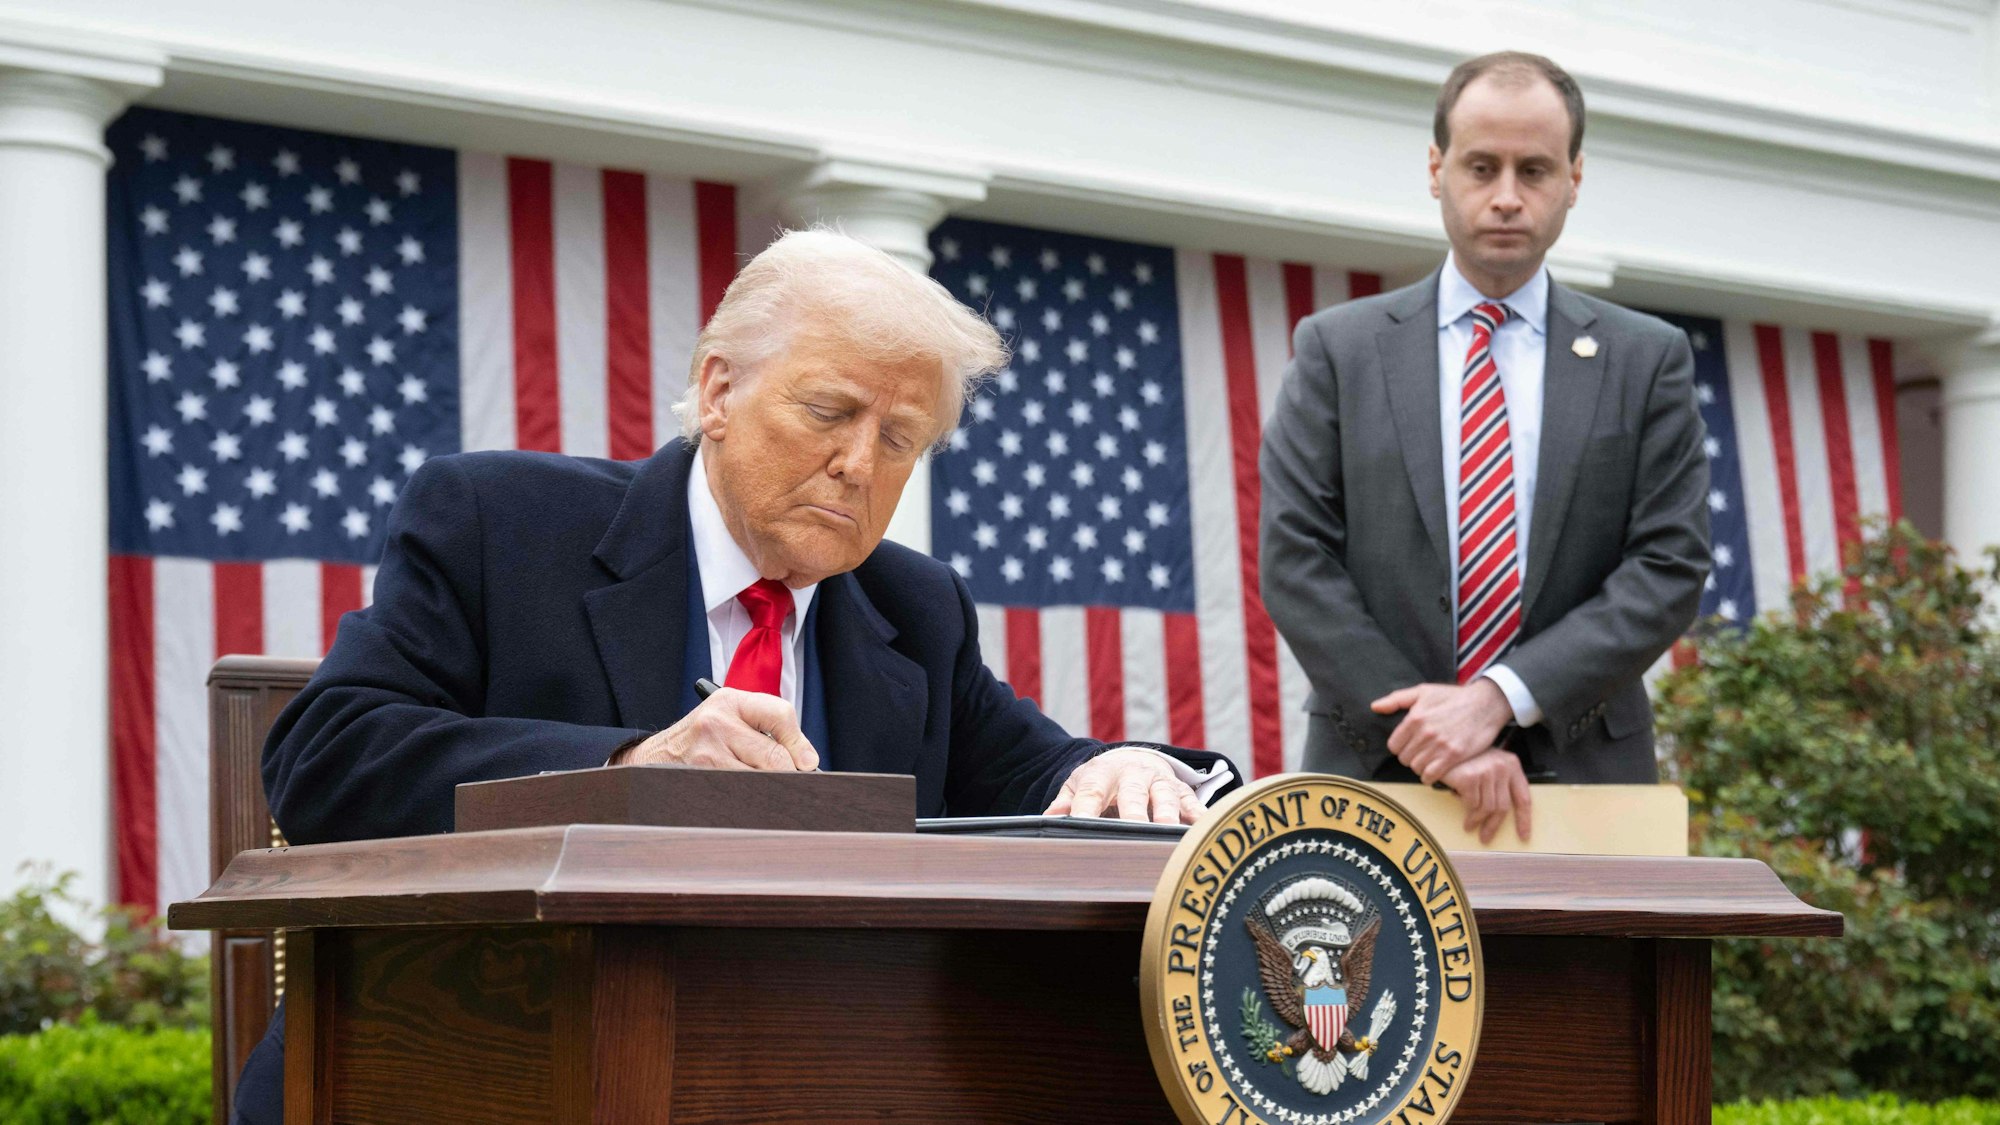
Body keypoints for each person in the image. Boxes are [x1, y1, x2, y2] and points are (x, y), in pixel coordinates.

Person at [232, 229, 1237, 1123]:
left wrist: (1123, 768)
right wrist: (634, 766)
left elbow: (1037, 767)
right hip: (468, 1054)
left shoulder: (912, 606)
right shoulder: (500, 522)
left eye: (899, 439)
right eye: (829, 412)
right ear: (717, 390)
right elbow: (327, 758)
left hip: (816, 1071)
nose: (857, 463)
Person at [1258, 51, 1711, 846]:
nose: (1506, 196)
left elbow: (1668, 566)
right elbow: (1297, 562)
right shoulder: (1338, 349)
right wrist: (1434, 732)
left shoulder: (1649, 360)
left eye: (1534, 169)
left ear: (1575, 178)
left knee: (1582, 982)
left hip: (1586, 789)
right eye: (1481, 166)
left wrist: (1496, 699)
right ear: (1436, 170)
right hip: (1373, 775)